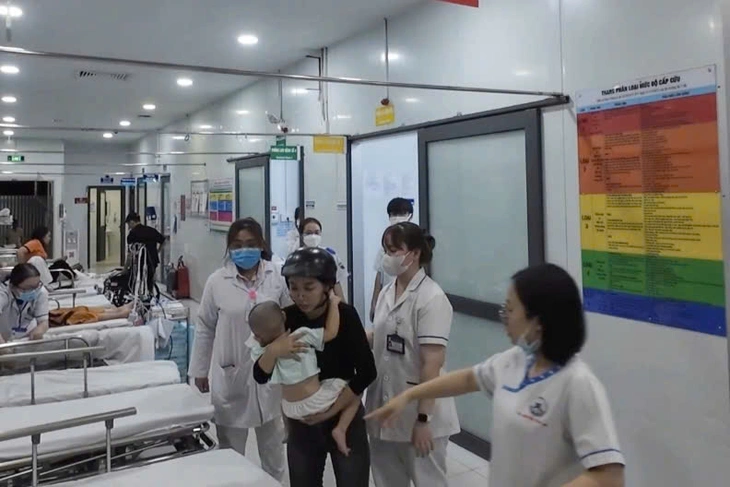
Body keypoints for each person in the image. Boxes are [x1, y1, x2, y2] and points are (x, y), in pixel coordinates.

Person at [366, 263, 626, 487]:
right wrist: (409, 395)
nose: (504, 317)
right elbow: (468, 379)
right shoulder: (514, 361)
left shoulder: (577, 383)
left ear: (538, 321)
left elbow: (609, 476)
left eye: (510, 309)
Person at [253, 246, 376, 487]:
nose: (300, 296)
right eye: (293, 288)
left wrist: (329, 412)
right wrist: (274, 350)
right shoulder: (284, 318)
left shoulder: (345, 315)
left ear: (327, 286)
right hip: (302, 424)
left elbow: (366, 372)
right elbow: (260, 375)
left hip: (343, 415)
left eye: (309, 288)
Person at [188, 217, 289, 482]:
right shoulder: (217, 281)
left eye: (251, 244)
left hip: (271, 376)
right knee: (231, 457)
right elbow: (205, 326)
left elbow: (290, 320)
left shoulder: (277, 277)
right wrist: (200, 370)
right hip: (231, 373)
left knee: (274, 454)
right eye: (237, 245)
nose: (244, 250)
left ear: (262, 245)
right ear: (229, 248)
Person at [365, 222, 459, 487]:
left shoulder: (431, 298)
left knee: (427, 481)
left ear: (415, 253)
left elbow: (432, 363)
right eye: (385, 250)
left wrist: (423, 420)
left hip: (420, 414)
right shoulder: (387, 291)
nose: (387, 256)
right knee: (386, 480)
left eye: (393, 250)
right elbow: (382, 336)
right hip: (385, 407)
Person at [248, 293, 360, 456]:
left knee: (281, 394)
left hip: (289, 409)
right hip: (314, 403)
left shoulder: (262, 350)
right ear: (284, 316)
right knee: (355, 390)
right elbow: (331, 332)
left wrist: (271, 350)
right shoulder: (301, 335)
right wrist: (334, 304)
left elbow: (260, 371)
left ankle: (287, 430)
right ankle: (341, 429)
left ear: (257, 337)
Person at [370, 198, 413, 322]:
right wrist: (374, 303)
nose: (397, 217)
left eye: (402, 213)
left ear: (410, 215)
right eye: (394, 214)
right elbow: (380, 275)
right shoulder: (384, 246)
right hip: (388, 299)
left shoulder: (415, 243)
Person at [299, 217, 349, 301]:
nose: (313, 236)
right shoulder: (296, 258)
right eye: (309, 233)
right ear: (301, 235)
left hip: (327, 300)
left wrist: (343, 305)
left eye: (317, 232)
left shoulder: (330, 255)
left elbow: (336, 283)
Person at [0, 263, 49, 343]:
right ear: (12, 287)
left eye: (36, 286)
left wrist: (40, 330)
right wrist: (2, 345)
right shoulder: (2, 293)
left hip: (27, 337)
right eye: (28, 288)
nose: (33, 291)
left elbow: (44, 321)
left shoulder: (40, 291)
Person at [125, 212, 165, 291]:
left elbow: (130, 254)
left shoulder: (132, 234)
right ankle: (149, 294)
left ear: (132, 222)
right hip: (152, 261)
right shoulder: (151, 230)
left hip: (139, 262)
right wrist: (157, 251)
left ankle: (138, 294)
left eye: (128, 224)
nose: (129, 227)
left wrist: (125, 268)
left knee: (138, 281)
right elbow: (163, 241)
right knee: (149, 280)